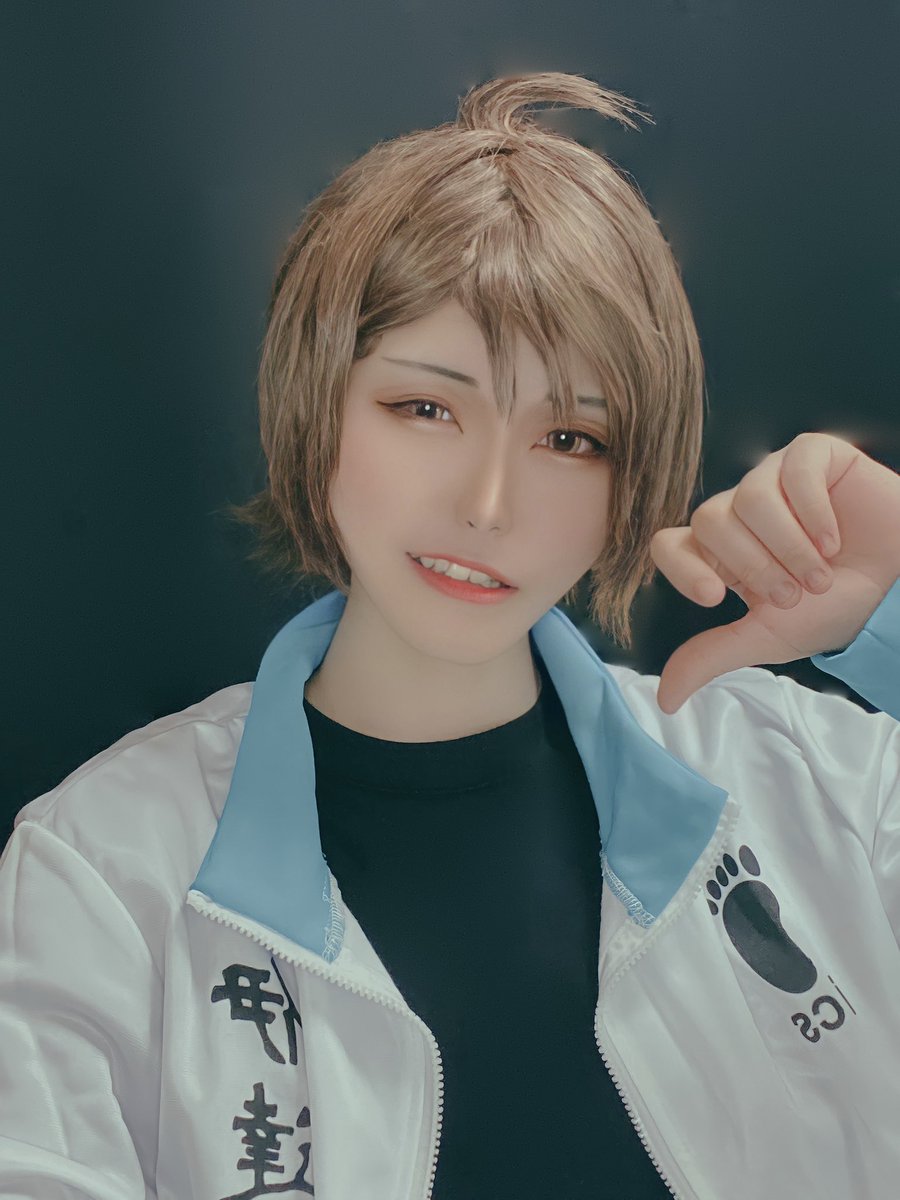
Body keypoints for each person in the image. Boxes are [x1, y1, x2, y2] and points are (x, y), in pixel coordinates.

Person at [1, 71, 899, 1200]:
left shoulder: (815, 783)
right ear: (315, 405)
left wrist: (893, 615)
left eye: (570, 438)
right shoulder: (102, 873)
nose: (488, 504)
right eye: (425, 408)